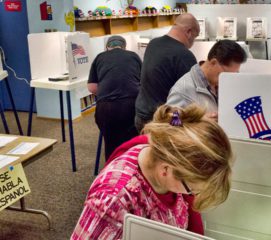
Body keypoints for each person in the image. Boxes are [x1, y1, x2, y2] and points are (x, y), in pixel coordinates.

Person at [71, 104, 233, 239]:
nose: (192, 195)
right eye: (192, 190)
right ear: (165, 170)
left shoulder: (160, 157)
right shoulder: (113, 200)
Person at [135, 13, 200, 132]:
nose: (193, 42)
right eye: (194, 37)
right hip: (163, 119)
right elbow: (192, 95)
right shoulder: (184, 55)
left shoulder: (153, 44)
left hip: (141, 113)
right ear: (189, 32)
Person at [87, 35, 141, 160]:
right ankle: (132, 170)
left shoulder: (99, 57)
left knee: (111, 144)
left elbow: (92, 87)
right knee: (132, 143)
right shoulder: (133, 56)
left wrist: (108, 89)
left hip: (106, 108)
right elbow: (143, 81)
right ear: (124, 47)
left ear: (107, 47)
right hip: (131, 105)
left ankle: (112, 172)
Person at [166, 40, 247, 120]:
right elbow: (170, 126)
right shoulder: (182, 91)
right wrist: (199, 123)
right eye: (227, 73)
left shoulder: (221, 83)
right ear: (213, 62)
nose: (229, 78)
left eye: (234, 73)